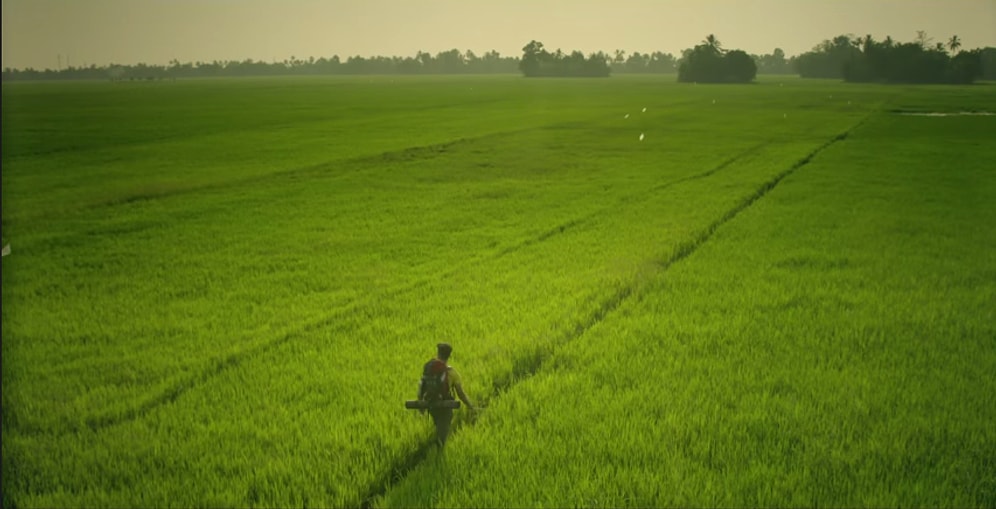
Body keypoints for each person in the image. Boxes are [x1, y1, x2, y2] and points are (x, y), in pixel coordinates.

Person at [424, 342, 474, 447]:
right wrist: (470, 405)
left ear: (438, 353)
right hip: (444, 406)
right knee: (444, 424)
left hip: (430, 403)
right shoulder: (452, 372)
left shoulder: (430, 367)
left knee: (438, 421)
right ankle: (440, 445)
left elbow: (423, 384)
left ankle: (436, 441)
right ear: (449, 355)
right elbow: (461, 394)